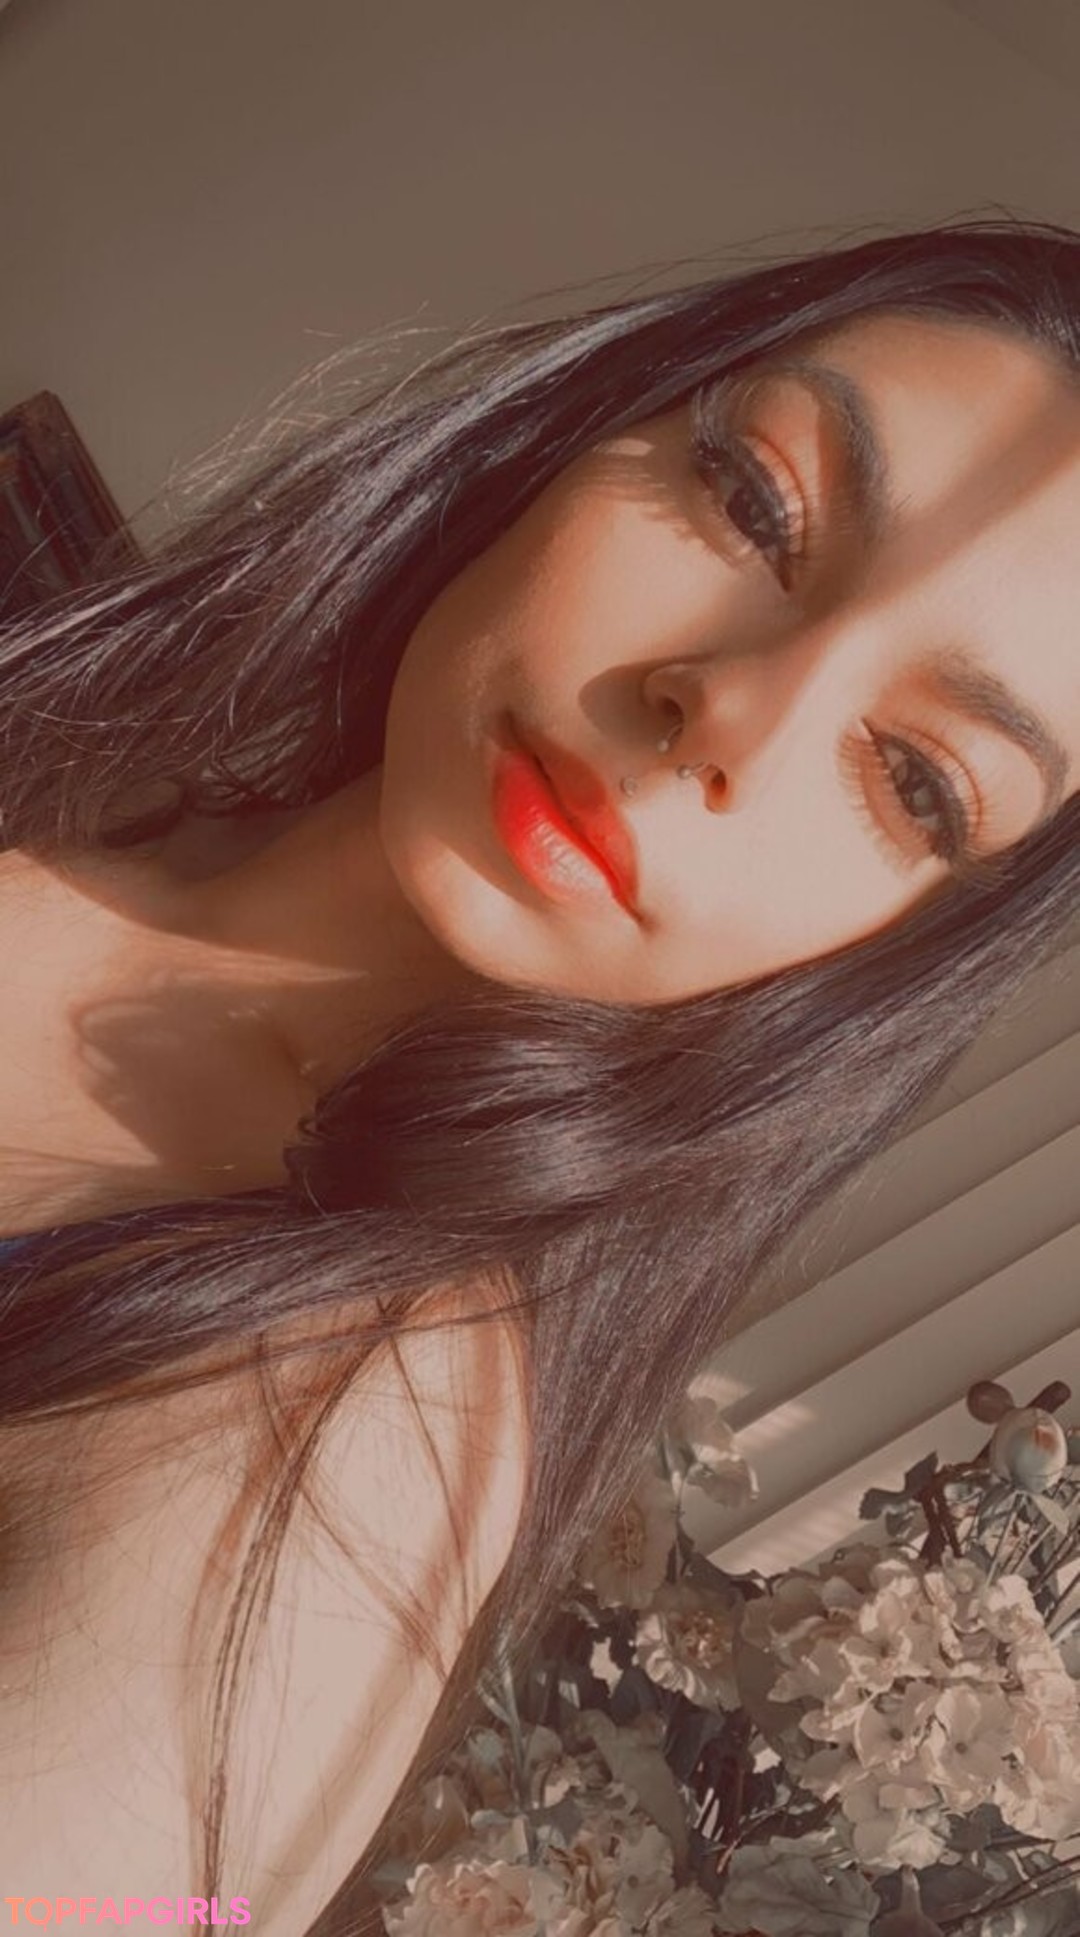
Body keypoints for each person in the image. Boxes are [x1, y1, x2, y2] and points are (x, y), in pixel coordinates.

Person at [0, 216, 1076, 1933]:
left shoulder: (361, 1420)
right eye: (759, 505)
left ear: (895, 948)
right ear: (587, 429)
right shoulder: (80, 747)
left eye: (920, 782)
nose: (729, 711)